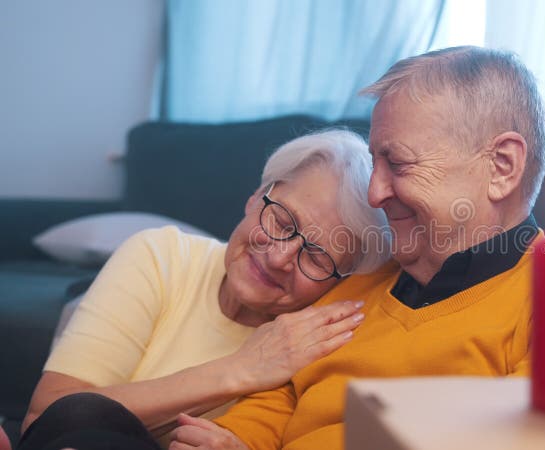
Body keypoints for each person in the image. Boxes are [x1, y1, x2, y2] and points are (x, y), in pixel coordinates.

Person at [173, 46, 545, 450]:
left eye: (399, 164)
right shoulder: (353, 285)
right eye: (375, 163)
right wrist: (233, 441)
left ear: (502, 166)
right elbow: (274, 400)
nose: (375, 194)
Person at [18, 130, 392, 450]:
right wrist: (239, 370)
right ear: (257, 195)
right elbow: (47, 418)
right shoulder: (162, 255)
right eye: (281, 220)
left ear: (341, 281)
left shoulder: (323, 341)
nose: (279, 257)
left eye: (316, 256)